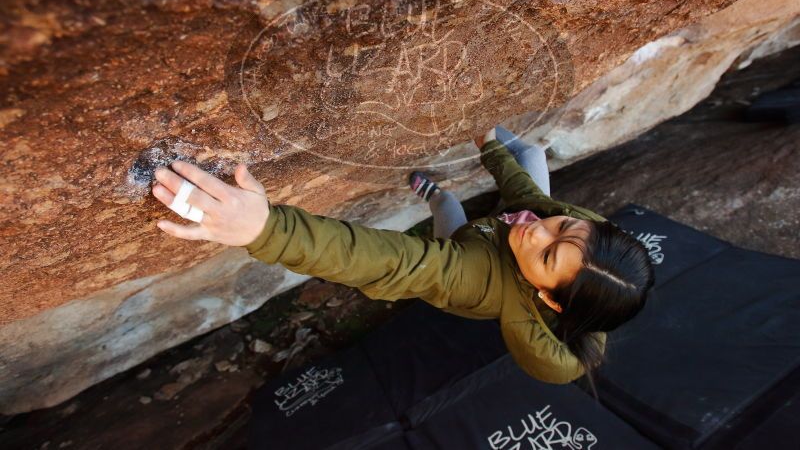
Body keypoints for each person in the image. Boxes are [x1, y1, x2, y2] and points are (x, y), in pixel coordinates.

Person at [151, 125, 655, 399]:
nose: (538, 227)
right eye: (566, 228)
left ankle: (430, 192)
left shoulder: (473, 281)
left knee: (447, 211)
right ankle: (462, 175)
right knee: (531, 166)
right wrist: (487, 144)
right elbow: (530, 198)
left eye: (548, 251)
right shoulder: (575, 234)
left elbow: (390, 262)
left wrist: (265, 229)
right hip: (494, 238)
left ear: (547, 297)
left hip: (465, 249)